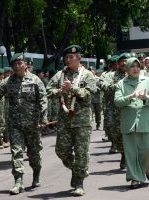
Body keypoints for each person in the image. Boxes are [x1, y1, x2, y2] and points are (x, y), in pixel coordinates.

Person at [0, 53, 48, 195]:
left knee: (34, 153)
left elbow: (43, 99)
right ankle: (18, 181)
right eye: (14, 64)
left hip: (32, 123)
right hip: (15, 124)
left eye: (20, 63)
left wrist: (43, 117)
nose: (17, 66)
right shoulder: (8, 81)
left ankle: (36, 175)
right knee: (16, 152)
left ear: (25, 64)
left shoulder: (35, 80)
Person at [46, 45, 97, 196]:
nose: (68, 60)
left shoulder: (87, 75)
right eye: (66, 57)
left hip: (82, 121)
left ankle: (79, 182)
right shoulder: (60, 75)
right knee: (61, 151)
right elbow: (48, 91)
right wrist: (60, 91)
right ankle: (77, 170)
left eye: (71, 57)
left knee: (81, 152)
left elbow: (90, 95)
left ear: (79, 58)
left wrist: (73, 88)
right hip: (65, 120)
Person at [115, 57, 149, 189]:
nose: (135, 69)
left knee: (148, 149)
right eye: (132, 66)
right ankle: (135, 178)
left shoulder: (147, 81)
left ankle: (147, 168)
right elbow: (117, 101)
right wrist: (129, 97)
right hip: (129, 122)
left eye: (137, 66)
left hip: (145, 120)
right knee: (131, 153)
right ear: (127, 69)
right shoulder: (121, 83)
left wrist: (146, 98)